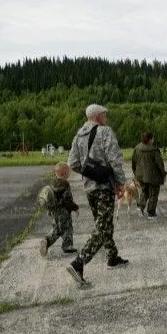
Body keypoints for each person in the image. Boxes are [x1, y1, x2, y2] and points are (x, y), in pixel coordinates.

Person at [66, 104, 129, 285]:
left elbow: (73, 162)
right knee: (102, 228)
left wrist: (90, 173)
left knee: (103, 224)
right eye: (105, 114)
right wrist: (120, 183)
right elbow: (115, 159)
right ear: (98, 116)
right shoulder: (105, 132)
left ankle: (112, 256)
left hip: (89, 189)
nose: (106, 118)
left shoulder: (79, 135)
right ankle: (78, 263)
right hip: (104, 188)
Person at [39, 162, 79, 257]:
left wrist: (49, 210)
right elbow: (67, 200)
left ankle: (55, 242)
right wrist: (75, 208)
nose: (69, 174)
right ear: (64, 173)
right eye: (68, 172)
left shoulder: (53, 183)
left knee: (59, 228)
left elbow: (50, 198)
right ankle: (62, 245)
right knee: (64, 228)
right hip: (63, 211)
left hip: (54, 211)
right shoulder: (64, 184)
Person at [132, 131, 167, 219]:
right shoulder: (154, 149)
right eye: (153, 138)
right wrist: (163, 174)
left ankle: (140, 207)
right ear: (150, 139)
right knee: (154, 194)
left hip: (141, 175)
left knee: (144, 192)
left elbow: (134, 162)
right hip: (153, 177)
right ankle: (151, 213)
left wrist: (135, 173)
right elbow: (160, 164)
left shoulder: (137, 148)